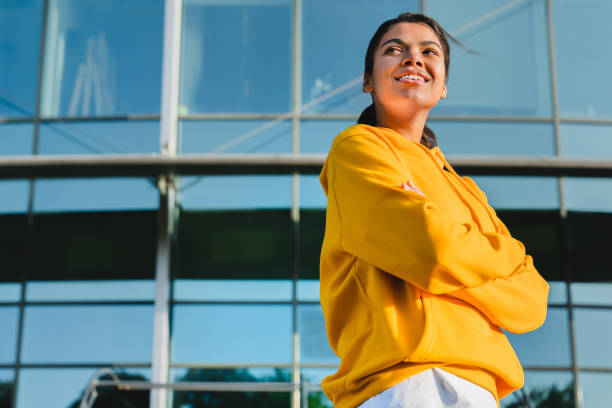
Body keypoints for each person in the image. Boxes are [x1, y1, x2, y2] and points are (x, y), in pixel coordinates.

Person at [318, 12, 550, 408]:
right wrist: (505, 256)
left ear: (443, 85)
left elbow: (532, 299)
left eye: (429, 51)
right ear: (368, 81)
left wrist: (442, 264)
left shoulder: (466, 189)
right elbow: (433, 248)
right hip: (406, 383)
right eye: (394, 50)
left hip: (483, 390)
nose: (413, 58)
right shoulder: (357, 149)